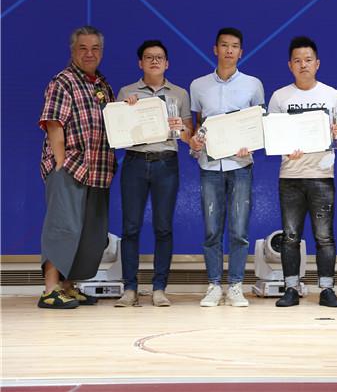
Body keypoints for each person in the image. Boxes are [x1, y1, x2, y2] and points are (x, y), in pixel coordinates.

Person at [37, 26, 116, 309]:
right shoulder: (63, 81)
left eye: (95, 48)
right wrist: (59, 162)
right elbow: (53, 122)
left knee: (88, 234)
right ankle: (50, 290)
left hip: (98, 170)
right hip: (70, 167)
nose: (89, 53)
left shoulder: (102, 85)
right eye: (83, 48)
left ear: (101, 52)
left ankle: (68, 286)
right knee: (63, 228)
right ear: (72, 51)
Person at [268, 36, 337, 308]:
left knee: (324, 237)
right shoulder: (279, 97)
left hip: (322, 175)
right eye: (298, 61)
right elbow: (272, 136)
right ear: (290, 65)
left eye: (308, 60)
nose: (303, 65)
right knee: (290, 236)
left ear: (317, 64)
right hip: (290, 176)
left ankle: (327, 290)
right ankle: (291, 288)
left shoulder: (332, 95)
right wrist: (284, 147)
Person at [189, 27, 265, 307]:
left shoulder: (253, 84)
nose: (229, 50)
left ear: (241, 52)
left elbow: (259, 124)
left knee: (239, 230)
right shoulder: (198, 85)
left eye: (234, 46)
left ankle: (235, 285)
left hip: (241, 164)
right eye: (224, 45)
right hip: (210, 165)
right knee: (211, 230)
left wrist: (251, 144)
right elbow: (198, 124)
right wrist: (195, 141)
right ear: (215, 49)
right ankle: (213, 285)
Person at [114, 40, 193, 307]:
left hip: (166, 163)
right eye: (149, 57)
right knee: (130, 227)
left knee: (163, 227)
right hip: (135, 162)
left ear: (167, 63)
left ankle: (159, 288)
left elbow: (189, 136)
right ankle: (130, 288)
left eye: (159, 57)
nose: (155, 61)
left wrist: (181, 127)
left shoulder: (179, 94)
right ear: (140, 63)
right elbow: (118, 134)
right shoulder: (127, 92)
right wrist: (126, 111)